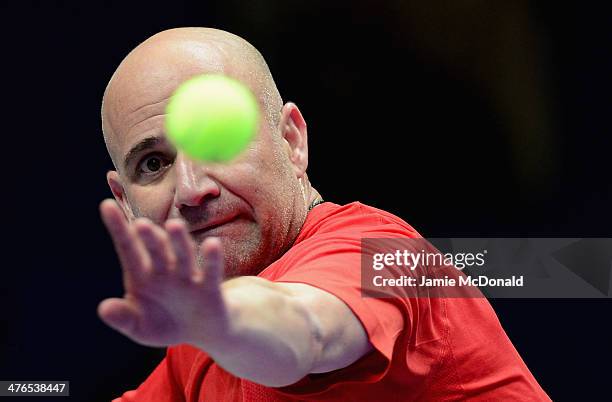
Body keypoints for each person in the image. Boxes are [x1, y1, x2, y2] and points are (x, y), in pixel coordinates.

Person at [99, 27, 550, 401]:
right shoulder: (195, 345)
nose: (193, 190)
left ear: (292, 142)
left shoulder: (379, 252)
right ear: (125, 201)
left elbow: (306, 327)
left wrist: (220, 323)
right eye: (153, 164)